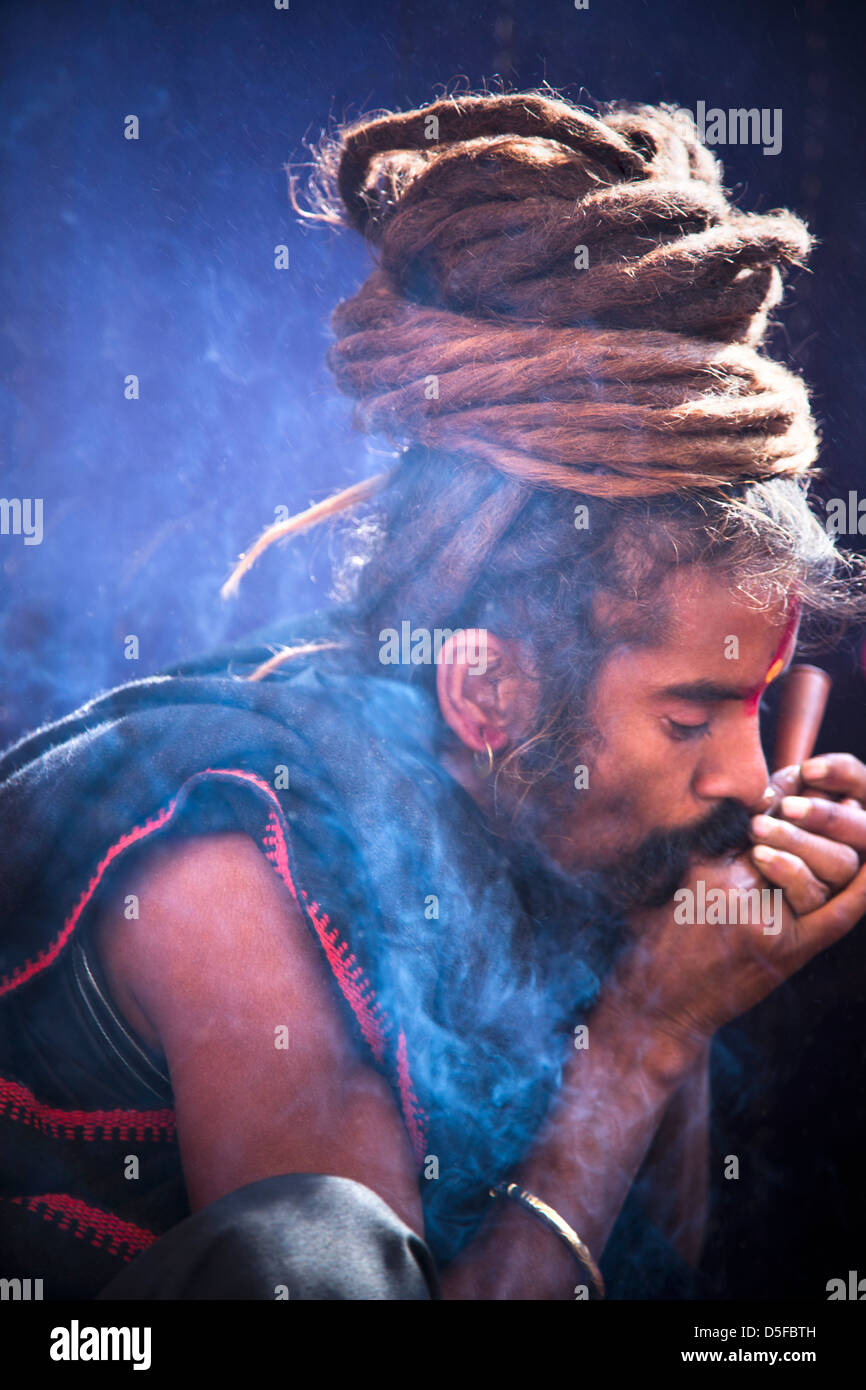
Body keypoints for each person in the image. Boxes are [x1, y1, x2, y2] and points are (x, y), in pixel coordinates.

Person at [2, 90, 866, 1302]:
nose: (746, 776)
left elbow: (651, 1276)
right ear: (485, 690)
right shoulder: (239, 872)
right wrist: (643, 1036)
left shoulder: (546, 817)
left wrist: (680, 962)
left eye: (752, 707)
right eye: (689, 716)